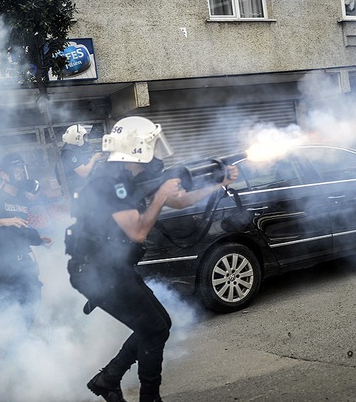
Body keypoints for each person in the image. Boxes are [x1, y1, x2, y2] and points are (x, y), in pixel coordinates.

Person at [65, 116, 238, 402]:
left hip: (113, 268)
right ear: (137, 148)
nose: (157, 151)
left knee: (159, 325)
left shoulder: (131, 178)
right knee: (154, 329)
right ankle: (147, 396)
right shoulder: (107, 183)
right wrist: (159, 197)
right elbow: (138, 231)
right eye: (152, 144)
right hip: (94, 272)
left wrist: (218, 182)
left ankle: (108, 378)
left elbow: (181, 200)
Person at [0, 153, 53, 327]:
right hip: (0, 266)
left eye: (22, 169)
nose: (21, 173)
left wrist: (38, 239)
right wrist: (1, 221)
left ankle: (26, 343)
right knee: (10, 311)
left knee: (33, 301)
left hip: (23, 263)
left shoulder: (21, 198)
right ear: (4, 174)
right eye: (16, 169)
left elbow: (17, 229)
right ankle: (5, 343)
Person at [57, 124, 106, 197]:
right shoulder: (70, 154)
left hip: (76, 188)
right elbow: (84, 173)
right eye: (84, 137)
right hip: (75, 192)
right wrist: (94, 158)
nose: (86, 140)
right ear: (77, 138)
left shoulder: (70, 151)